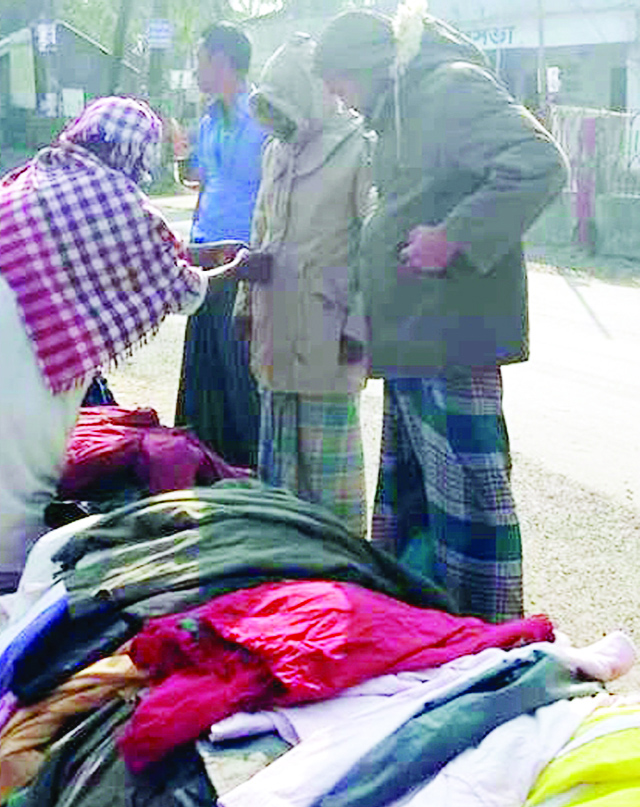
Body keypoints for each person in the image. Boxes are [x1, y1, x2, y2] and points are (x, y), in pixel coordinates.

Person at [0, 97, 253, 705]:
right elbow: (180, 291)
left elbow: (129, 260)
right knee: (5, 498)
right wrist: (229, 268)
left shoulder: (43, 175)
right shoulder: (117, 202)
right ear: (136, 153)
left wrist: (194, 253)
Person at [314, 3, 568, 621]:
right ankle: (428, 629)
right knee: (416, 505)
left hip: (452, 341)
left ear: (366, 65)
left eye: (338, 82)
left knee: (472, 506)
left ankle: (491, 638)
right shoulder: (394, 112)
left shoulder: (451, 88)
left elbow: (540, 164)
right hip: (410, 342)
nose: (337, 98)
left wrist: (453, 236)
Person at [236, 33, 373, 535]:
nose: (277, 120)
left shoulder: (359, 147)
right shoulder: (276, 151)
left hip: (329, 333)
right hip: (275, 327)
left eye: (283, 105)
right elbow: (261, 231)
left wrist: (360, 326)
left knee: (329, 480)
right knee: (280, 470)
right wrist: (245, 306)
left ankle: (341, 574)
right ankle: (287, 573)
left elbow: (373, 247)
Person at [174, 22, 268, 468]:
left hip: (244, 260)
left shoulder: (265, 117)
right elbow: (204, 182)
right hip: (205, 253)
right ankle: (206, 465)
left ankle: (248, 468)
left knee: (238, 371)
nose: (195, 70)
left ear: (223, 61)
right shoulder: (210, 119)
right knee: (203, 368)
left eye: (200, 59)